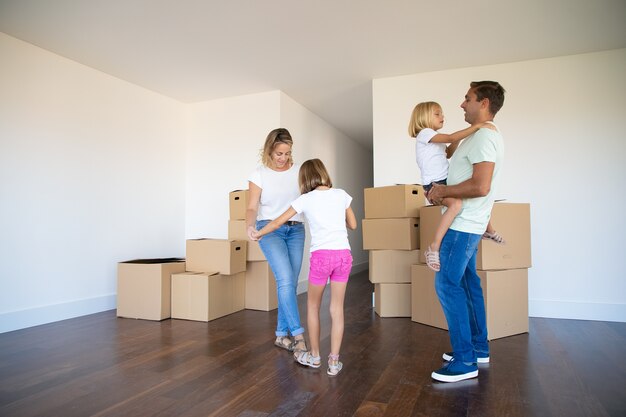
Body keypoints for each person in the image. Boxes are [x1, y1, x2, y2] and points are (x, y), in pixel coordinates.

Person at [425, 81, 506, 383]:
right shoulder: (479, 136)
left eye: (467, 99)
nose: (462, 104)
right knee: (469, 283)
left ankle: (464, 361)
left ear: (484, 103)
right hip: (468, 224)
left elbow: (481, 186)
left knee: (447, 285)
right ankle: (478, 348)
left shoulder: (485, 137)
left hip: (462, 227)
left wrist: (443, 190)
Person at [252, 159, 357, 376]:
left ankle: (315, 357)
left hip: (321, 258)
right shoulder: (341, 195)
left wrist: (259, 233)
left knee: (312, 307)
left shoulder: (305, 199)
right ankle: (334, 363)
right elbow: (353, 225)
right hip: (343, 256)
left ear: (305, 179)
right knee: (337, 310)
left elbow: (277, 222)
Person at [408, 102, 505, 272]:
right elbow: (451, 138)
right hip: (436, 184)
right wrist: (476, 127)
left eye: (442, 114)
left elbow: (448, 152)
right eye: (437, 114)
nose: (442, 117)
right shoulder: (425, 134)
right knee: (457, 205)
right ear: (423, 117)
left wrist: (461, 138)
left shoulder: (433, 139)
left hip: (444, 180)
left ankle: (489, 230)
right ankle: (434, 247)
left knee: (472, 200)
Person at [246, 128, 307, 356]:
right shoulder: (258, 174)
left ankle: (281, 336)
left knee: (290, 282)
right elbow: (252, 206)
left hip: (296, 230)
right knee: (284, 279)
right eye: (279, 153)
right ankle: (298, 335)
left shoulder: (300, 171)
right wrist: (249, 226)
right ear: (269, 150)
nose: (283, 159)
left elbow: (310, 198)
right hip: (268, 230)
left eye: (287, 154)